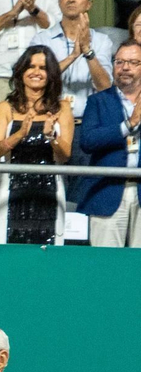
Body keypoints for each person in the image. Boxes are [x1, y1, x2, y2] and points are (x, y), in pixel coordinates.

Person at [0, 45, 71, 242]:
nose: (36, 72)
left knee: (48, 257)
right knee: (8, 254)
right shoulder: (5, 108)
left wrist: (52, 137)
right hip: (10, 192)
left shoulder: (62, 108)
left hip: (50, 191)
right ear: (21, 71)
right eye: (30, 67)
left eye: (42, 68)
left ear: (50, 74)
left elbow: (65, 155)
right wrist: (19, 134)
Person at [76, 40, 141, 247]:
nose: (125, 67)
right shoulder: (98, 101)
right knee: (106, 267)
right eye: (119, 62)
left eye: (132, 62)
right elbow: (88, 141)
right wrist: (128, 125)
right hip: (107, 192)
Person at [30, 0, 113, 131]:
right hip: (49, 122)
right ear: (59, 2)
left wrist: (87, 51)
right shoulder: (41, 40)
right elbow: (37, 79)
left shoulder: (102, 41)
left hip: (88, 124)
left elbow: (105, 86)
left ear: (89, 4)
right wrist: (73, 56)